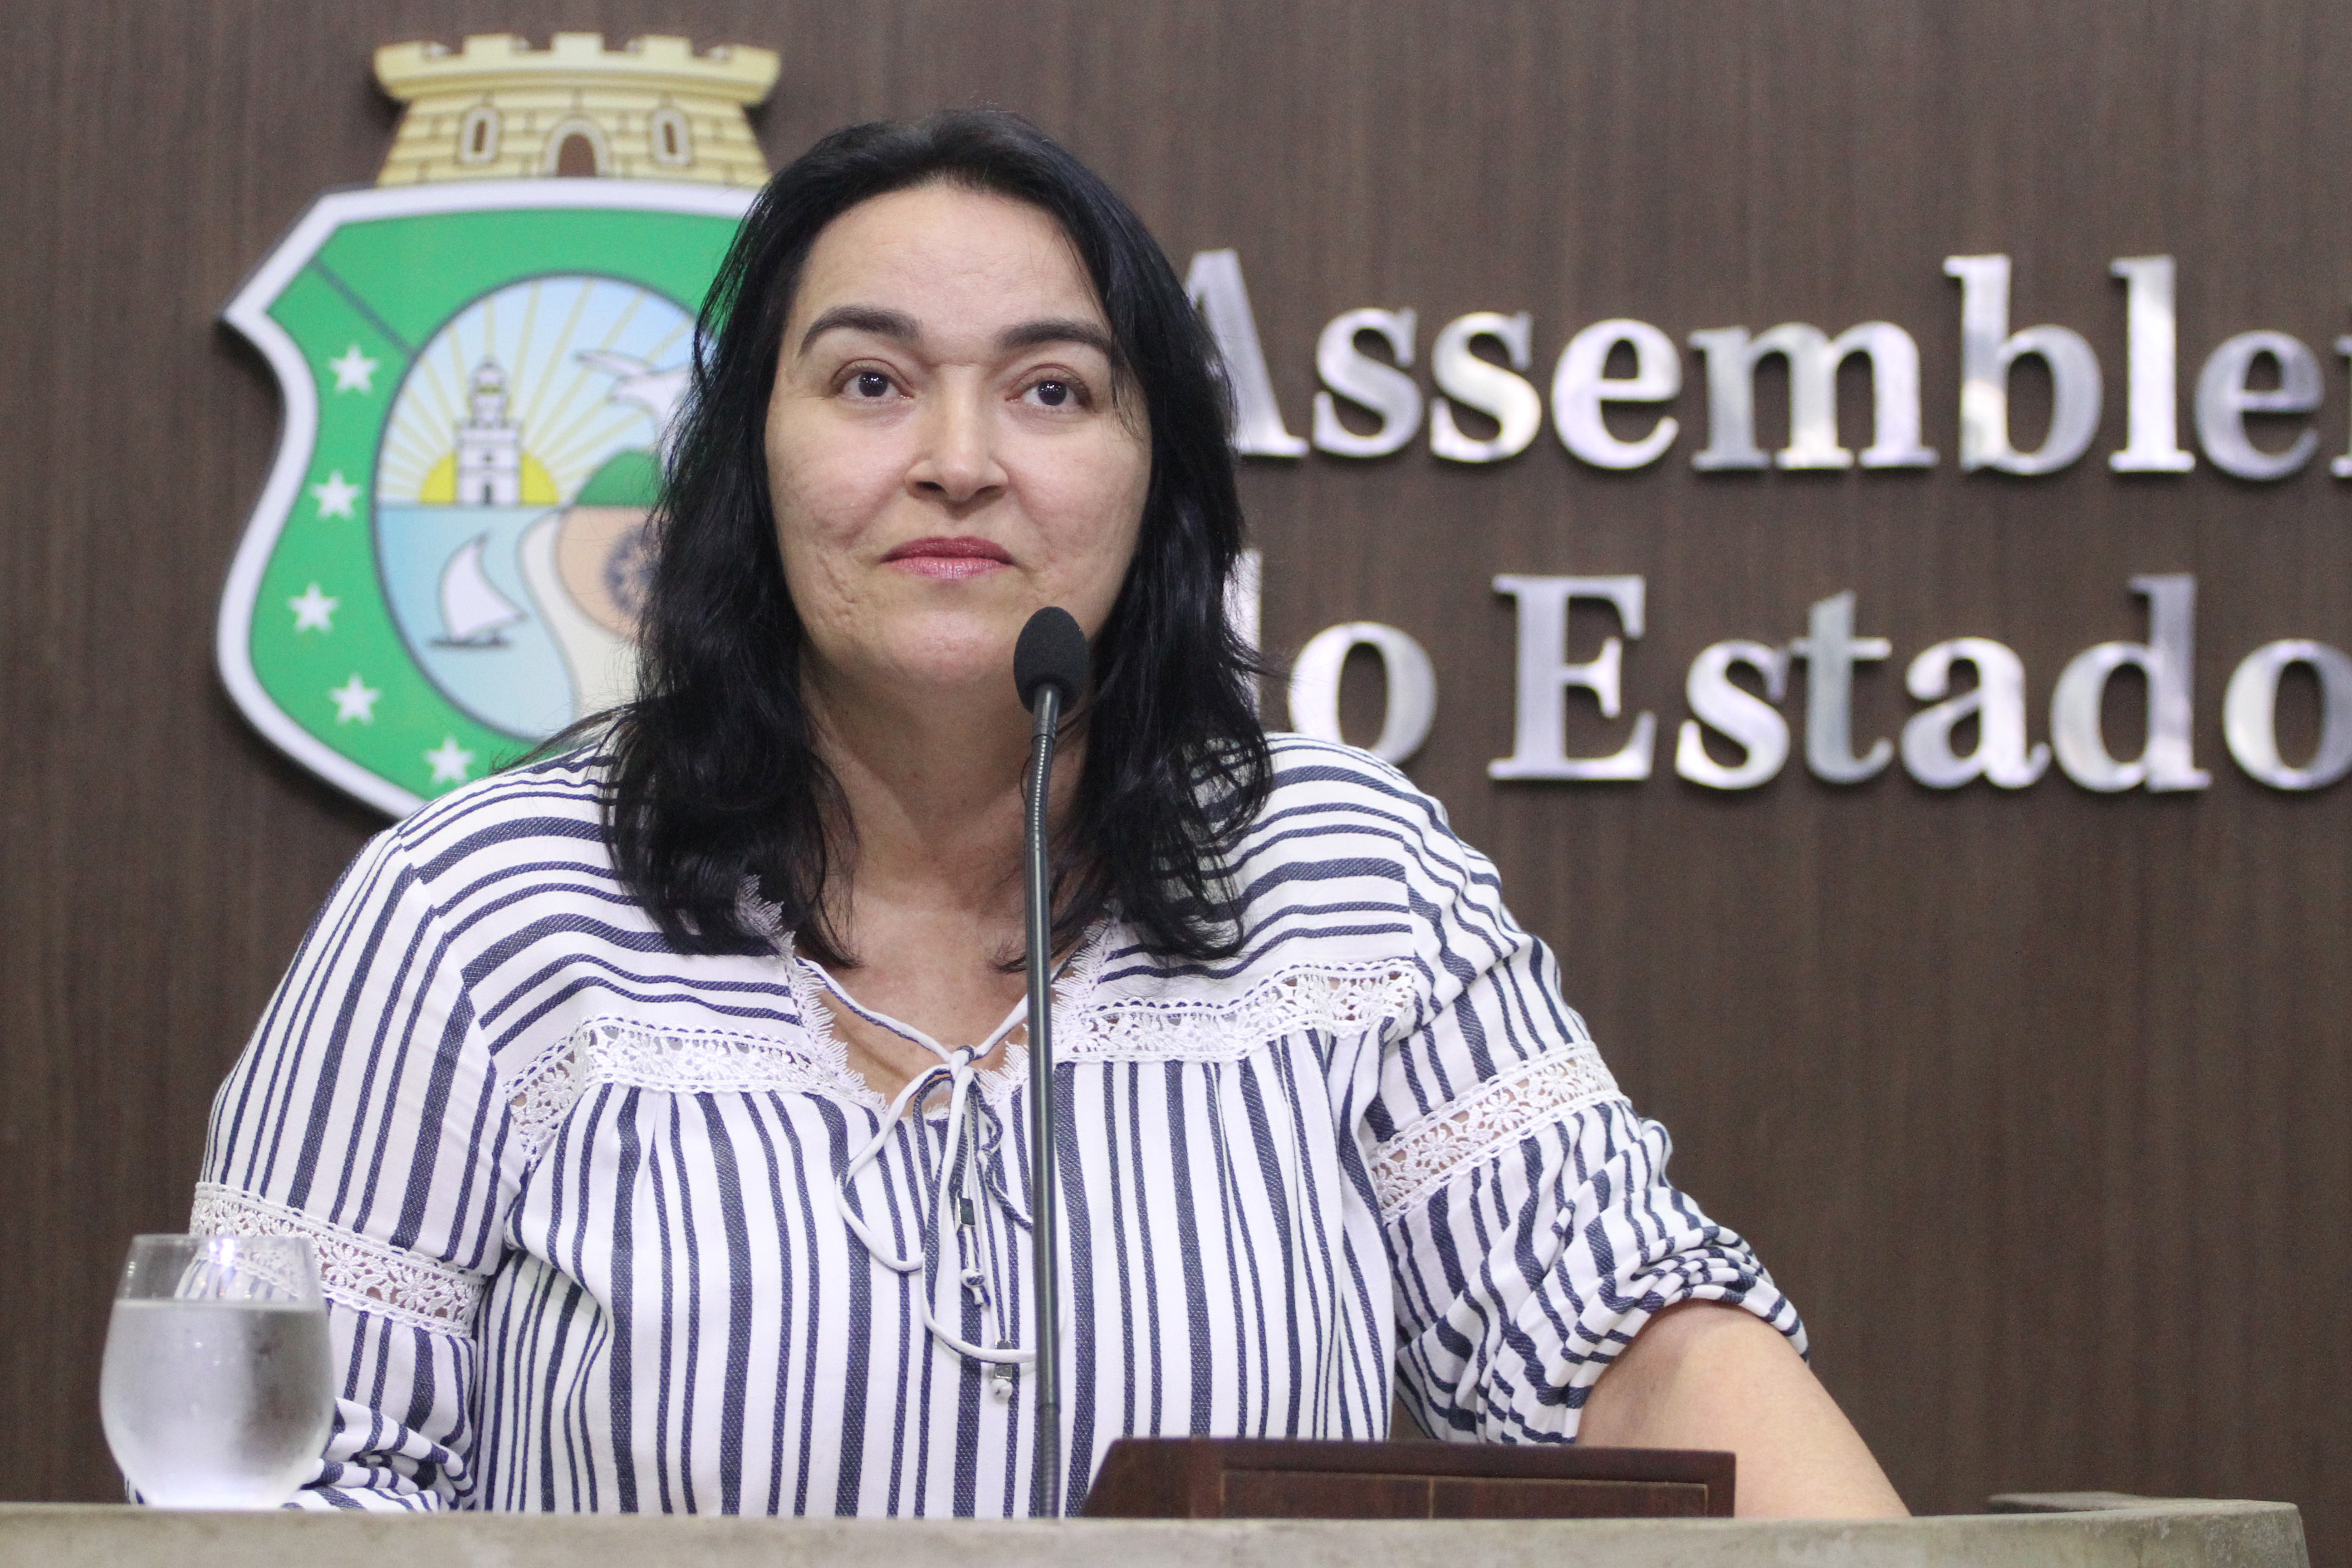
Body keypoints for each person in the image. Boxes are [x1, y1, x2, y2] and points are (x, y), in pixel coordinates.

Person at [193, 111, 1905, 1518]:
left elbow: (1639, 1354)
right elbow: (271, 1487)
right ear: (748, 461)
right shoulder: (477, 908)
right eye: (871, 382)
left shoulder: (1349, 880)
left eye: (1053, 390)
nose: (959, 458)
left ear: (1159, 480)